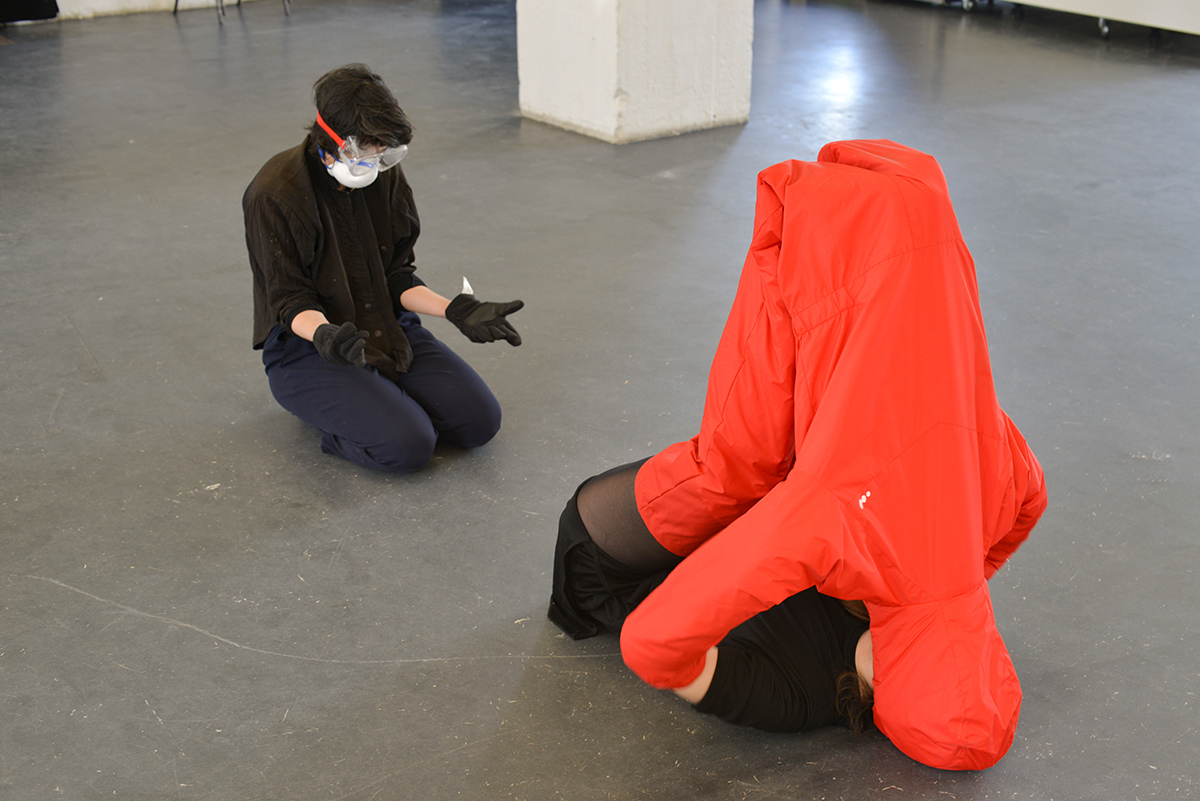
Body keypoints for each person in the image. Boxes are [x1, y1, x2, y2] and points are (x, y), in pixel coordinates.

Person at [549, 140, 1048, 770]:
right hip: (736, 527)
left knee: (736, 471)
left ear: (883, 695)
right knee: (794, 444)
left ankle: (812, 228)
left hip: (616, 560)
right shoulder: (922, 562)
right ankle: (835, 225)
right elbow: (1027, 499)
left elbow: (653, 644)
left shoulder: (798, 696)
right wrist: (963, 566)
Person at [243, 64, 523, 473]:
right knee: (408, 447)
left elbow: (396, 274)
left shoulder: (380, 175)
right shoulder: (275, 194)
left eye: (384, 154)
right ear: (330, 138)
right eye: (365, 153)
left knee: (479, 423)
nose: (374, 164)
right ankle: (338, 418)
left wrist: (454, 310)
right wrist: (324, 334)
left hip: (384, 325)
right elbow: (289, 299)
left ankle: (376, 399)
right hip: (311, 347)